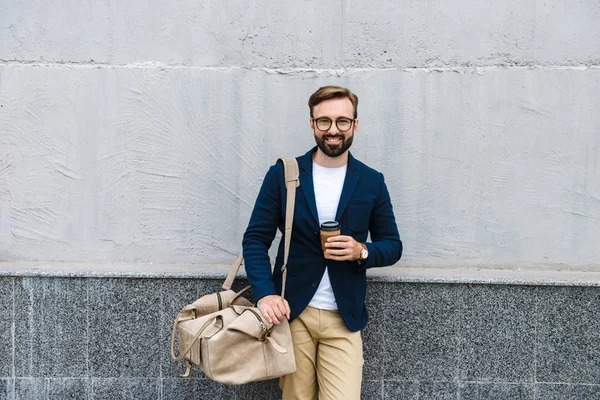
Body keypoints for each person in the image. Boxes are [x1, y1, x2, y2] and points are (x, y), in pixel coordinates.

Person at [242, 85, 402, 400]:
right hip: (292, 313)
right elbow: (255, 239)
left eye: (342, 121)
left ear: (355, 125)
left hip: (343, 316)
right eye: (324, 121)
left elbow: (393, 245)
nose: (333, 130)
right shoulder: (284, 174)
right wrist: (265, 295)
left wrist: (362, 250)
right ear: (313, 124)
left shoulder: (372, 181)